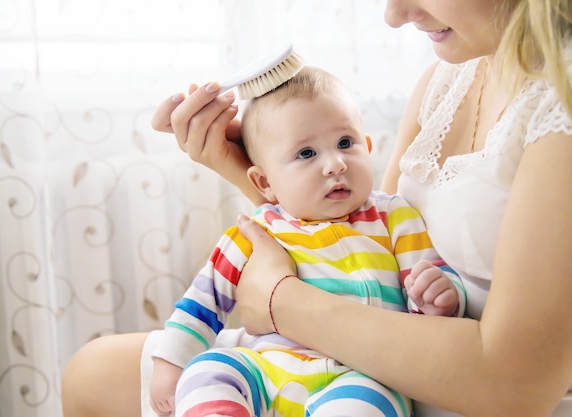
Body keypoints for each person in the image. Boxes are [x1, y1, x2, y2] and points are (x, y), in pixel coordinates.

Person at [61, 1, 572, 416]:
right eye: (311, 154)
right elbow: (360, 226)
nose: (394, 15)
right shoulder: (448, 77)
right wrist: (248, 164)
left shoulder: (563, 104)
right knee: (92, 373)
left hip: (450, 379)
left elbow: (516, 386)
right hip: (348, 338)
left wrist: (280, 299)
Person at [149, 66, 465, 417]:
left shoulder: (393, 216)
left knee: (371, 404)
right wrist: (170, 363)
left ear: (368, 146)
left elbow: (427, 282)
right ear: (264, 182)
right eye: (306, 154)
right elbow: (203, 301)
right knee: (207, 371)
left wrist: (438, 298)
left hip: (360, 374)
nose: (335, 164)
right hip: (266, 369)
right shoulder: (256, 230)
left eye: (346, 143)